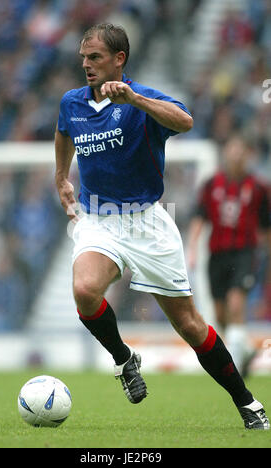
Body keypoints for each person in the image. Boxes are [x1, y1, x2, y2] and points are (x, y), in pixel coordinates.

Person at [55, 23, 269, 430]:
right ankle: (124, 360)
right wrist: (60, 176)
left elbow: (185, 121)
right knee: (84, 290)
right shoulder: (72, 102)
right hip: (98, 218)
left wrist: (135, 99)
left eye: (94, 57)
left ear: (119, 59)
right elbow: (63, 133)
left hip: (146, 223)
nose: (86, 64)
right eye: (83, 57)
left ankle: (247, 402)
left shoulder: (144, 98)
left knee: (189, 325)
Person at [187, 135, 271, 376]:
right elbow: (199, 217)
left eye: (240, 151)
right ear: (225, 153)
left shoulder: (259, 188)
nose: (235, 155)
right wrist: (192, 248)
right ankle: (244, 349)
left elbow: (266, 226)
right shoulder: (211, 184)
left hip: (245, 253)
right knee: (221, 314)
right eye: (231, 149)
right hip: (216, 254)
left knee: (236, 304)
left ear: (247, 155)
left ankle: (233, 368)